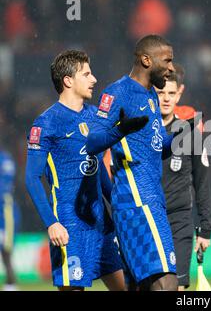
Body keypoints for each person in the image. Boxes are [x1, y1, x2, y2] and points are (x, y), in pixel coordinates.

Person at [25, 50, 125, 291]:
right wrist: (51, 223)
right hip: (69, 225)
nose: (94, 79)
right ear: (68, 81)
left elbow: (97, 166)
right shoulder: (47, 122)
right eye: (87, 74)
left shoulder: (95, 117)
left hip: (102, 223)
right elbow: (31, 177)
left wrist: (119, 206)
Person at [86, 34, 178, 291]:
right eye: (167, 60)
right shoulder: (118, 92)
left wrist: (179, 138)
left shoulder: (150, 96)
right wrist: (120, 131)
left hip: (147, 199)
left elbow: (153, 149)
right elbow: (91, 143)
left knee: (145, 286)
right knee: (167, 283)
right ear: (146, 60)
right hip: (138, 200)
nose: (171, 68)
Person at [156, 64, 211, 291]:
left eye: (171, 93)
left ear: (179, 93)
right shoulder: (141, 130)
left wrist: (205, 229)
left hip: (179, 221)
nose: (166, 99)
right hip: (148, 220)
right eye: (161, 93)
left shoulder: (191, 132)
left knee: (176, 287)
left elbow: (202, 182)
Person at [0, 149, 19, 291]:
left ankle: (10, 283)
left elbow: (6, 185)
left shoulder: (4, 159)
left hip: (5, 211)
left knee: (6, 247)